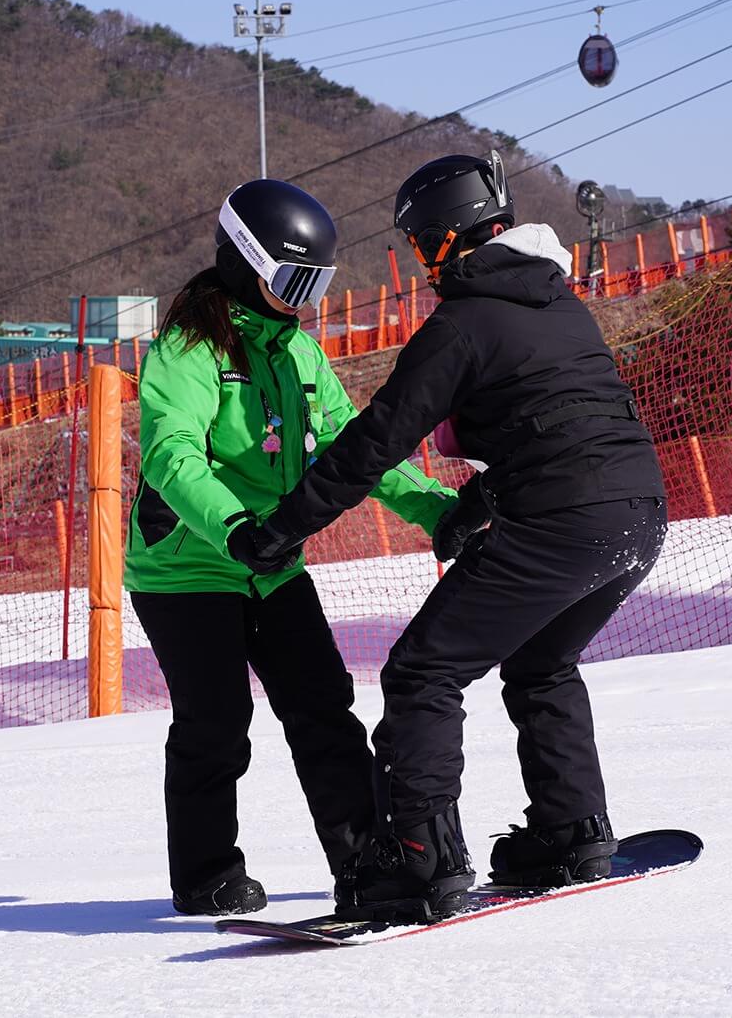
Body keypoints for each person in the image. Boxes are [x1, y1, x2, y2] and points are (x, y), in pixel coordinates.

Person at [249, 151, 668, 923]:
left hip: (565, 518)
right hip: (637, 515)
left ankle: (421, 864)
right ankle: (571, 834)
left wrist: (281, 528)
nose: (417, 263)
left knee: (420, 675)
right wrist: (480, 498)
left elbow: (374, 442)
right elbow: (561, 422)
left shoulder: (463, 323)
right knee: (543, 663)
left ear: (443, 238)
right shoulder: (559, 302)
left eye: (416, 245)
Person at [123, 178, 457, 918]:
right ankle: (206, 873)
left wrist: (437, 512)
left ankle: (368, 866)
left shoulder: (298, 350)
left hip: (269, 561)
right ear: (245, 262)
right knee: (215, 723)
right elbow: (172, 454)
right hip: (188, 565)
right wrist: (234, 527)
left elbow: (352, 448)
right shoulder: (188, 349)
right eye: (291, 280)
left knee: (323, 709)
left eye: (316, 283)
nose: (302, 297)